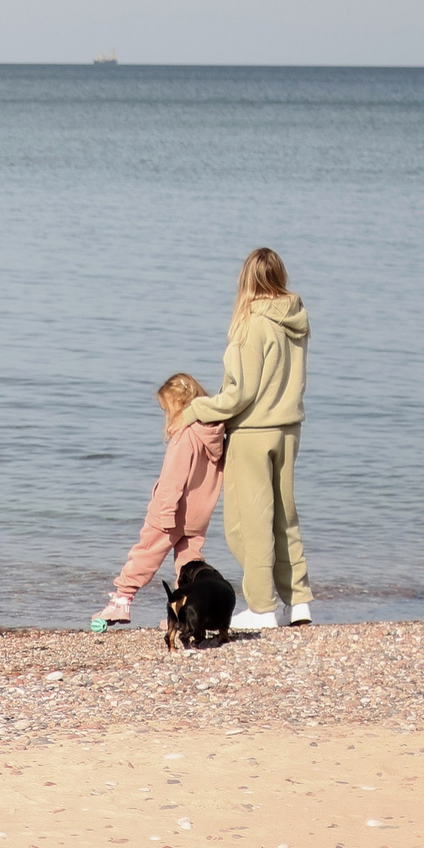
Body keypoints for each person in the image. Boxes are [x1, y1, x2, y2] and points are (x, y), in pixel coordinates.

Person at [184, 247, 311, 629]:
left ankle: (261, 607)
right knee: (284, 518)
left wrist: (194, 410)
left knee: (247, 524)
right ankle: (299, 602)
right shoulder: (296, 318)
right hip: (288, 429)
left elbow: (240, 394)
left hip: (253, 432)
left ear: (246, 280)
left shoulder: (252, 324)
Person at [91, 373, 225, 631]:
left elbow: (174, 480)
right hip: (197, 516)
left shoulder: (185, 437)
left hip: (171, 512)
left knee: (145, 554)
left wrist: (165, 513)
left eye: (166, 409)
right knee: (189, 566)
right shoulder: (214, 435)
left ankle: (122, 600)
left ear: (177, 406)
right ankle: (184, 615)